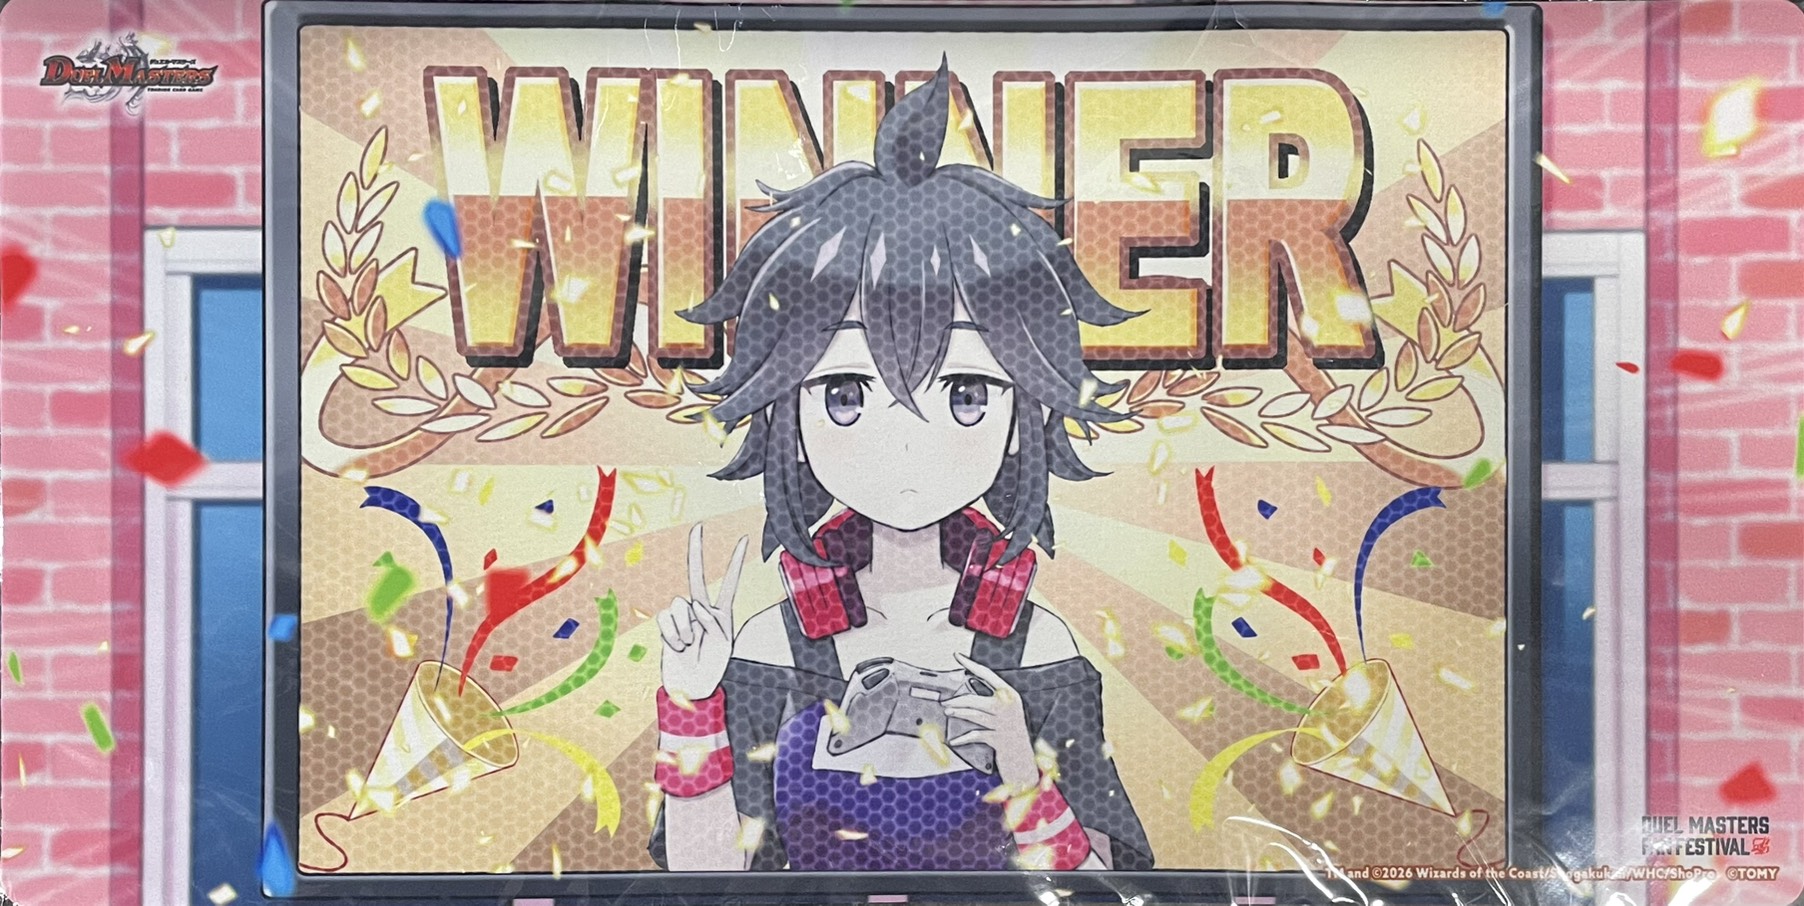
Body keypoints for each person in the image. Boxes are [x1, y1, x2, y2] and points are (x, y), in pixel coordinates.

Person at [647, 59, 1151, 873]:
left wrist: (1024, 773)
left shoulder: (1033, 647)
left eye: (966, 394)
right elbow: (705, 877)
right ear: (790, 417)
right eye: (846, 394)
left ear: (1023, 418)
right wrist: (693, 699)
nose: (907, 442)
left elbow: (1110, 889)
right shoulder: (775, 644)